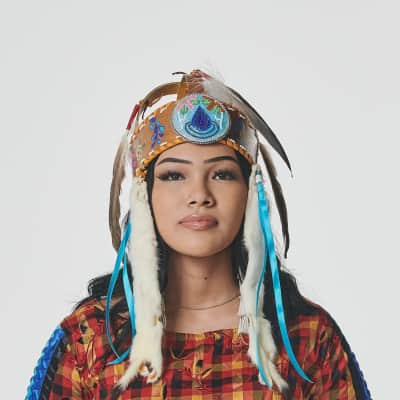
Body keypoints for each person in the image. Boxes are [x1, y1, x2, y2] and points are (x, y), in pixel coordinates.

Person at [26, 70, 371, 399]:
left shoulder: (306, 337)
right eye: (174, 176)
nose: (199, 195)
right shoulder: (90, 341)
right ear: (145, 196)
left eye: (222, 174)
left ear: (249, 194)